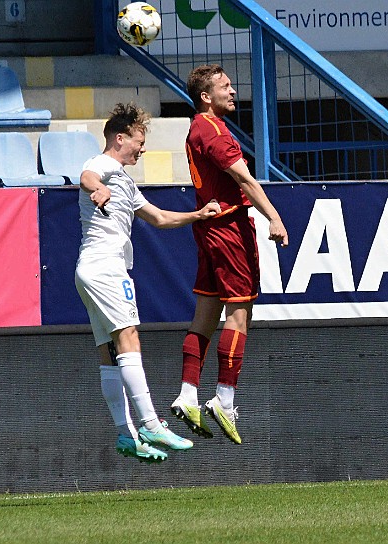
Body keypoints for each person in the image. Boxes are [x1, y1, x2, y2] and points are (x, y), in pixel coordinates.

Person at [75, 102, 221, 463]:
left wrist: (198, 214)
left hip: (89, 269)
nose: (142, 148)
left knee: (108, 353)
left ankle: (126, 435)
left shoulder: (124, 180)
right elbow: (87, 176)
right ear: (120, 137)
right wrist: (98, 190)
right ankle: (152, 424)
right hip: (106, 267)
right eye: (139, 141)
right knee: (129, 339)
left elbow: (157, 217)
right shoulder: (104, 165)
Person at [170, 65, 289, 445]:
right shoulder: (215, 131)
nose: (233, 91)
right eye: (225, 86)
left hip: (208, 227)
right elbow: (245, 179)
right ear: (206, 96)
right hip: (229, 229)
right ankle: (224, 399)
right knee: (239, 314)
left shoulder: (196, 128)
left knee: (205, 314)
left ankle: (188, 394)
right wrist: (274, 216)